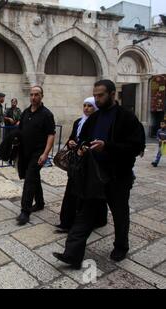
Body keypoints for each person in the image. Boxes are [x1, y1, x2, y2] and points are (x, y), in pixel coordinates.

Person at [53, 80, 146, 269]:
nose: (97, 99)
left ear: (112, 94)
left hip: (118, 176)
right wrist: (80, 147)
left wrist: (107, 146)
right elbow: (83, 140)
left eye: (100, 95)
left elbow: (136, 146)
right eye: (94, 95)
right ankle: (72, 254)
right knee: (85, 214)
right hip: (94, 176)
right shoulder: (94, 118)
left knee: (120, 213)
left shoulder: (126, 117)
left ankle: (121, 246)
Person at [56, 97, 107, 233]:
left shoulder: (99, 123)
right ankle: (66, 221)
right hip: (77, 162)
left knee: (92, 193)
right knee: (71, 191)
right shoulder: (78, 122)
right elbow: (73, 137)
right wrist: (71, 142)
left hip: (91, 163)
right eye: (84, 105)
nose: (86, 108)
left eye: (90, 106)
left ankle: (98, 220)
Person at [17, 86, 56, 226]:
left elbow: (51, 135)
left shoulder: (47, 114)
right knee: (33, 177)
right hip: (25, 152)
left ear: (42, 96)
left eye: (37, 95)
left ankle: (25, 211)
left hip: (38, 153)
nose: (33, 97)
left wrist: (45, 153)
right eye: (32, 94)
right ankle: (39, 203)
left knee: (29, 179)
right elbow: (20, 129)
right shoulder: (25, 112)